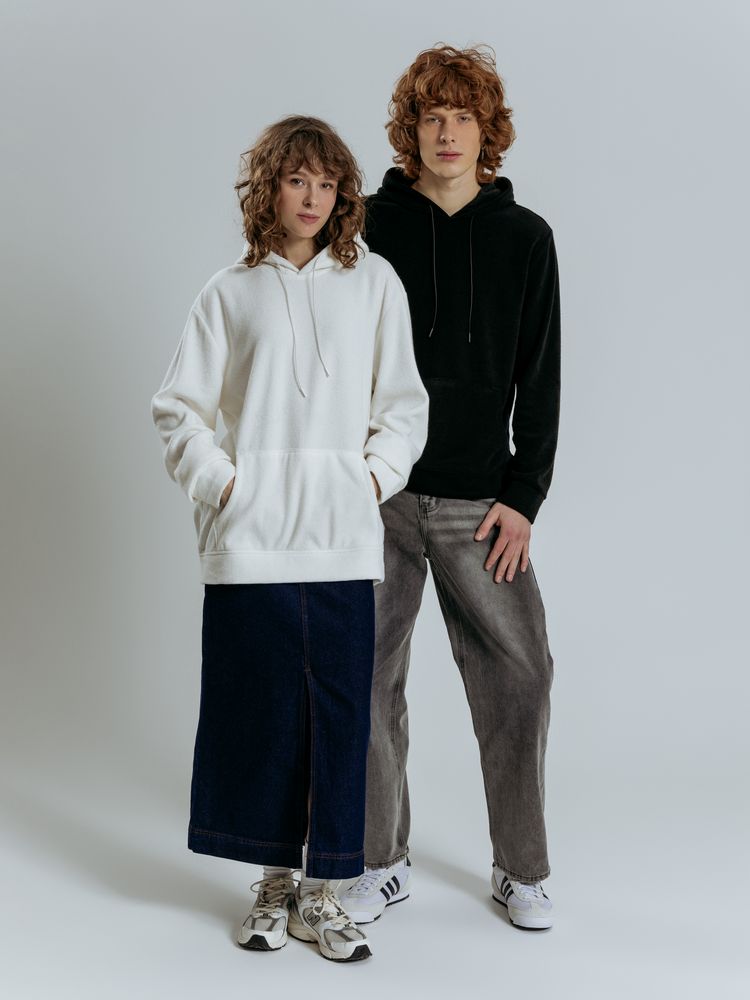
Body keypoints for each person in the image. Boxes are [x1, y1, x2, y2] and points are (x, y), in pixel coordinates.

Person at [151, 115, 429, 962]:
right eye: (296, 179)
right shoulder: (228, 291)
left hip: (341, 539)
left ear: (343, 192)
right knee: (262, 717)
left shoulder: (375, 282)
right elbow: (178, 410)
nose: (312, 197)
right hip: (251, 543)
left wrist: (369, 480)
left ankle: (326, 895)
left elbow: (403, 405)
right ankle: (275, 885)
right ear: (268, 187)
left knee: (342, 720)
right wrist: (226, 486)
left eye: (327, 182)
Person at [340, 44, 560, 930]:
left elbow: (540, 377)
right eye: (432, 117)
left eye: (463, 117)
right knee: (362, 677)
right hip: (380, 496)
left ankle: (523, 871)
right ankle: (377, 860)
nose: (447, 133)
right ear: (411, 129)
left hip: (481, 506)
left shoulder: (526, 238)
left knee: (523, 677)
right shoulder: (367, 228)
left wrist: (524, 496)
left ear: (486, 130)